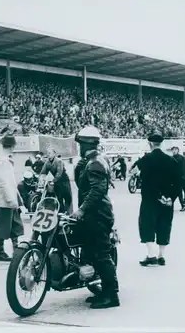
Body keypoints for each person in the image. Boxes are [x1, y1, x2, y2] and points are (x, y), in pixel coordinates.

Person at [72, 126, 119, 309]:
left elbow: (97, 190)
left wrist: (82, 210)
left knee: (101, 254)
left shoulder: (95, 162)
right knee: (91, 252)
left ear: (85, 144)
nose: (78, 147)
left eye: (80, 144)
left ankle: (111, 294)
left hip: (98, 215)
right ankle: (100, 289)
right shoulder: (93, 160)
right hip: (94, 215)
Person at [137, 131, 180, 267]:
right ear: (161, 144)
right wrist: (170, 198)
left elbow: (146, 181)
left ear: (150, 143)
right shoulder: (171, 160)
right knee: (164, 224)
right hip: (167, 201)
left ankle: (151, 255)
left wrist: (158, 196)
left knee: (147, 224)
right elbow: (178, 182)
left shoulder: (145, 159)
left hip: (150, 199)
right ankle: (161, 255)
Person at [0, 134, 24, 262]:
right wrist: (11, 199)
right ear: (12, 146)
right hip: (4, 199)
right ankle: (1, 251)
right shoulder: (2, 160)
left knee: (15, 225)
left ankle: (15, 250)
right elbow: (3, 182)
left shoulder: (3, 158)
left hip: (9, 198)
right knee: (3, 227)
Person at [40, 148, 73, 214]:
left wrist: (53, 180)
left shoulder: (58, 161)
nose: (48, 154)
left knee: (67, 196)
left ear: (54, 154)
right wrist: (41, 178)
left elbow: (59, 172)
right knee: (59, 197)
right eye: (47, 153)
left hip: (63, 180)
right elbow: (43, 171)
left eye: (50, 153)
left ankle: (69, 212)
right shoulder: (47, 162)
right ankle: (61, 211)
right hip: (56, 181)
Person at [171, 146, 185, 212]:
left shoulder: (182, 158)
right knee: (179, 193)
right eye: (173, 150)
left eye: (175, 150)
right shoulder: (171, 158)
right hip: (177, 178)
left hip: (184, 177)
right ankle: (183, 205)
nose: (174, 151)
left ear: (178, 150)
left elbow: (183, 168)